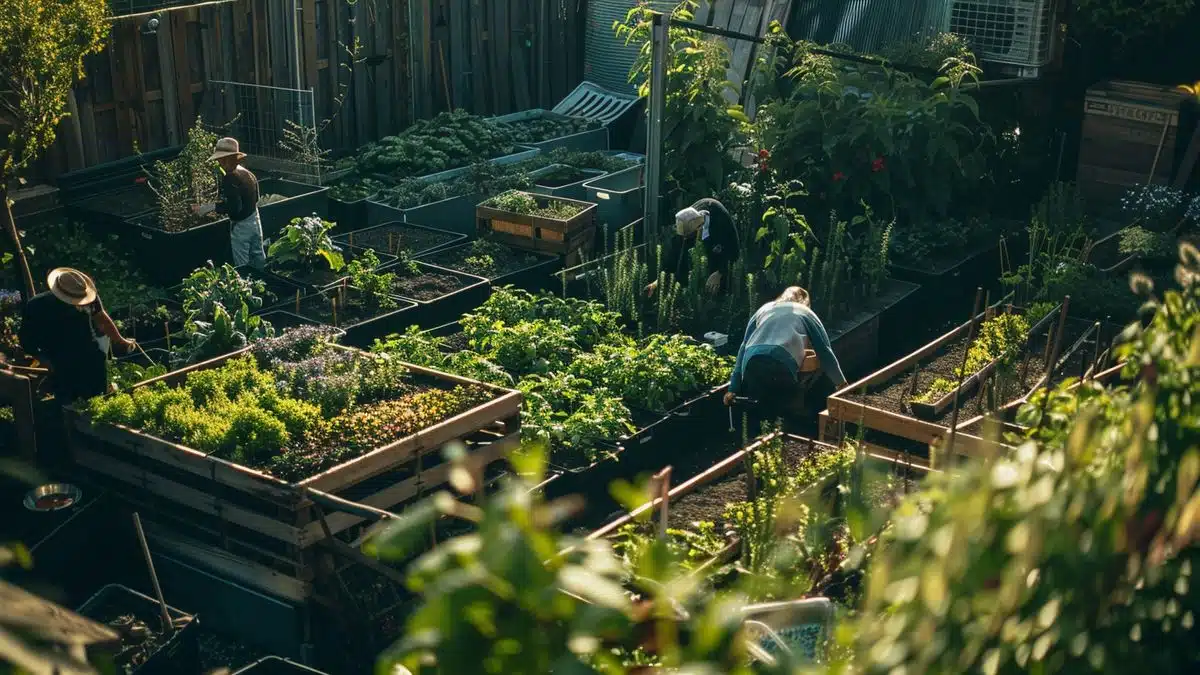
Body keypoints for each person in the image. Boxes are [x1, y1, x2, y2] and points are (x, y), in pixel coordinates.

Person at [19, 268, 136, 403]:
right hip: (60, 363)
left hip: (91, 359)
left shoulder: (85, 296)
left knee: (97, 403)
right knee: (69, 406)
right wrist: (44, 361)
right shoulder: (37, 306)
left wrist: (121, 341)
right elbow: (26, 340)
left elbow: (102, 319)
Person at [723, 286, 847, 410]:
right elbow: (824, 351)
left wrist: (733, 388)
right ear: (805, 303)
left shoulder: (764, 309)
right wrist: (841, 384)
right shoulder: (805, 312)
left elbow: (743, 347)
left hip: (751, 359)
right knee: (786, 406)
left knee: (758, 405)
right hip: (781, 361)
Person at [193, 137, 265, 269]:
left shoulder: (230, 178)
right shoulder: (247, 173)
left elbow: (235, 208)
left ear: (227, 159)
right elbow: (257, 198)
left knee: (242, 263)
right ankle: (263, 283)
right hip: (255, 218)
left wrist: (208, 208)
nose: (218, 162)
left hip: (241, 225)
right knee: (258, 256)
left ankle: (246, 287)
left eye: (220, 159)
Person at [645, 199, 740, 296]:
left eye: (688, 236)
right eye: (683, 236)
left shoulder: (721, 220)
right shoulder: (686, 222)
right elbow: (675, 254)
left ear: (699, 227)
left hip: (721, 255)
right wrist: (658, 281)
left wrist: (720, 272)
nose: (685, 239)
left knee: (718, 281)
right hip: (702, 262)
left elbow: (734, 249)